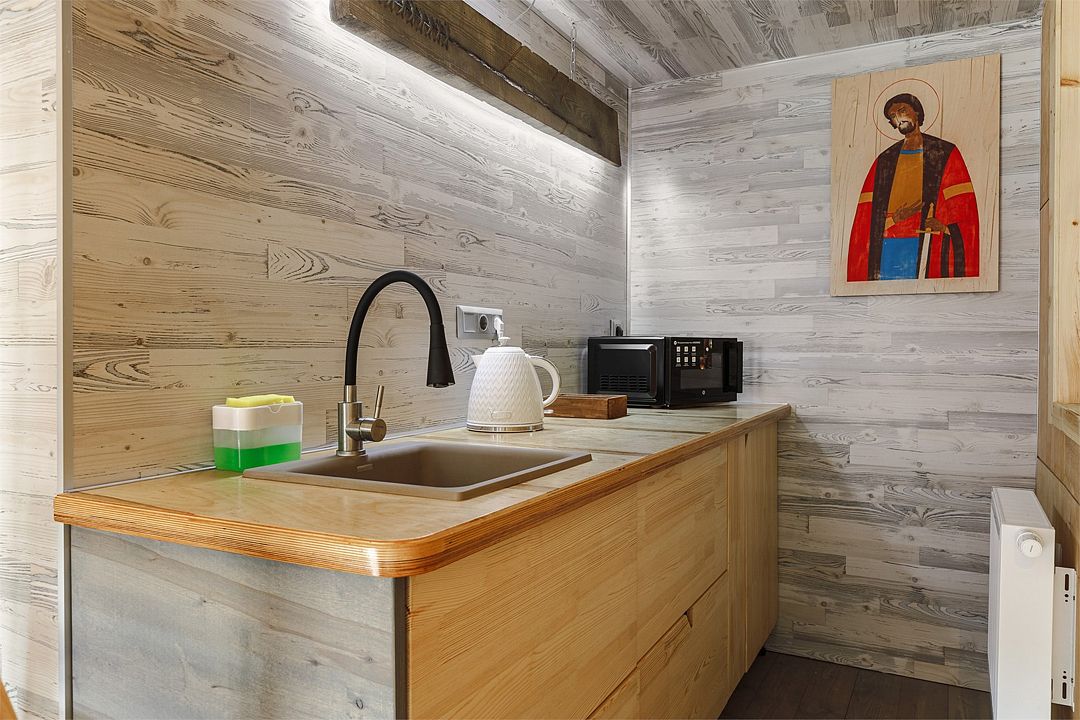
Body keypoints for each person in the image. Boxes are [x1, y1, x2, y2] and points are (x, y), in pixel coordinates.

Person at [847, 92, 979, 281]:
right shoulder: (884, 160)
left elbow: (965, 211)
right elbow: (867, 219)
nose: (899, 118)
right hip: (889, 245)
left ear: (917, 112)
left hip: (926, 243)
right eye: (893, 116)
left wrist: (944, 227)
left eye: (902, 110)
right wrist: (896, 219)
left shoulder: (943, 152)